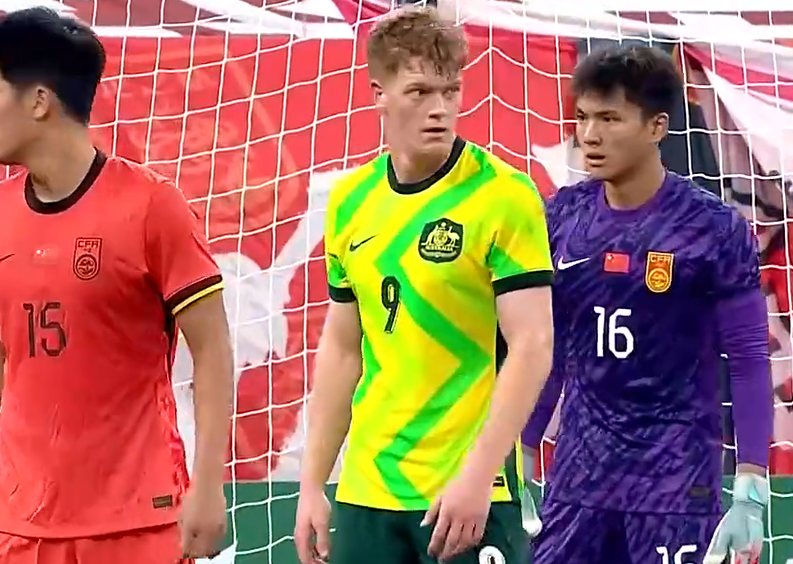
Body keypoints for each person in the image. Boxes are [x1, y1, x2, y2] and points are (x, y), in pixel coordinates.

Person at [0, 8, 233, 564]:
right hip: (14, 523)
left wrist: (209, 484)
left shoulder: (153, 205)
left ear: (39, 101)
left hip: (137, 520)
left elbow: (211, 348)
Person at [293, 6, 555, 564]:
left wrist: (478, 475)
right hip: (368, 490)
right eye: (419, 92)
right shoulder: (350, 202)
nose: (440, 109)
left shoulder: (504, 196)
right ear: (379, 94)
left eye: (450, 91)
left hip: (468, 489)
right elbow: (342, 348)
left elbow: (533, 344)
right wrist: (313, 483)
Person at [522, 44, 772, 564]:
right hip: (578, 482)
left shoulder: (712, 229)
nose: (590, 135)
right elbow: (549, 350)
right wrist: (522, 451)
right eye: (583, 117)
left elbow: (749, 361)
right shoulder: (561, 218)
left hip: (674, 488)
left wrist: (751, 484)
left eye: (609, 119)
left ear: (657, 127)